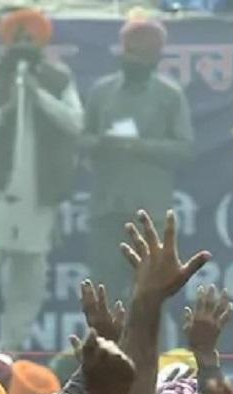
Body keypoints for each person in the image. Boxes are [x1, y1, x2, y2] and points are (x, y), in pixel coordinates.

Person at [0, 7, 83, 351]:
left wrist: (38, 94)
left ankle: (12, 346)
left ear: (41, 41)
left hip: (38, 197)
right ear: (7, 40)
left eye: (31, 37)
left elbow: (76, 122)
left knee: (29, 277)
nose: (24, 43)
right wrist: (5, 112)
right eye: (18, 36)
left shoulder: (58, 78)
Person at [82, 16, 193, 297]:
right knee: (103, 292)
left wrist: (137, 146)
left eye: (141, 53)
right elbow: (81, 139)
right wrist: (104, 143)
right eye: (129, 51)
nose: (133, 59)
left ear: (155, 57)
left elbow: (184, 149)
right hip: (107, 209)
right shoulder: (102, 92)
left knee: (151, 293)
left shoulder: (170, 95)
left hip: (150, 214)